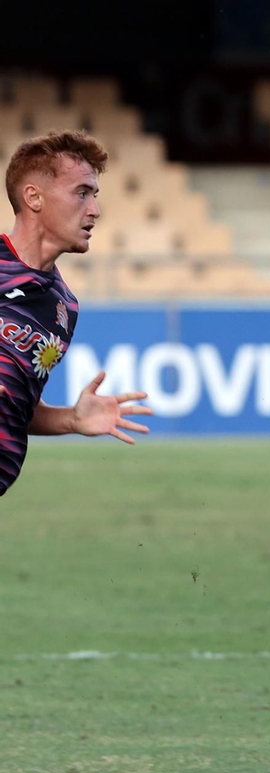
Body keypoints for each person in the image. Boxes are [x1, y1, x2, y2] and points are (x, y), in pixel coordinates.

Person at [1, 131, 150, 498]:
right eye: (82, 193)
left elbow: (19, 406)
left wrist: (70, 418)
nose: (95, 209)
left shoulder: (63, 307)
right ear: (33, 197)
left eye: (94, 195)